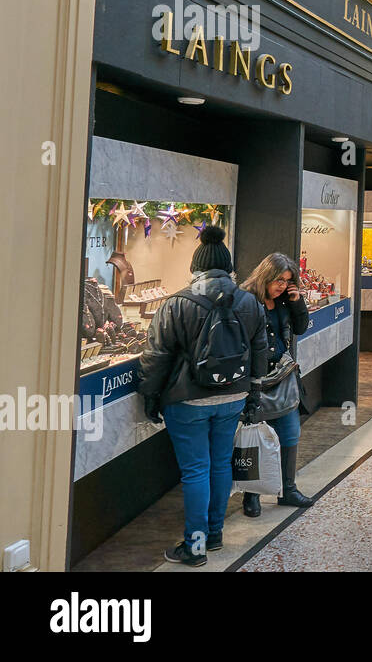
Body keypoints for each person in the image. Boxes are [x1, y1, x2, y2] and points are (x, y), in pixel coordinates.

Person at [136, 226, 270, 567]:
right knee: (220, 462)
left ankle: (194, 547)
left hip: (188, 401)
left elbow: (156, 357)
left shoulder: (177, 303)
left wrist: (150, 396)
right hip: (233, 397)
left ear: (196, 268)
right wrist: (253, 390)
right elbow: (260, 353)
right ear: (228, 268)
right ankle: (213, 535)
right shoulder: (250, 302)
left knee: (196, 470)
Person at [239, 253, 314, 519]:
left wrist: (297, 302)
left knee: (290, 433)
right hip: (255, 379)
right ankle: (252, 494)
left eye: (287, 281)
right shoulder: (246, 299)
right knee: (256, 436)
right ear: (266, 275)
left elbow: (301, 328)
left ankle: (288, 489)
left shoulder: (285, 301)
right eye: (279, 280)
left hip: (283, 376)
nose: (282, 285)